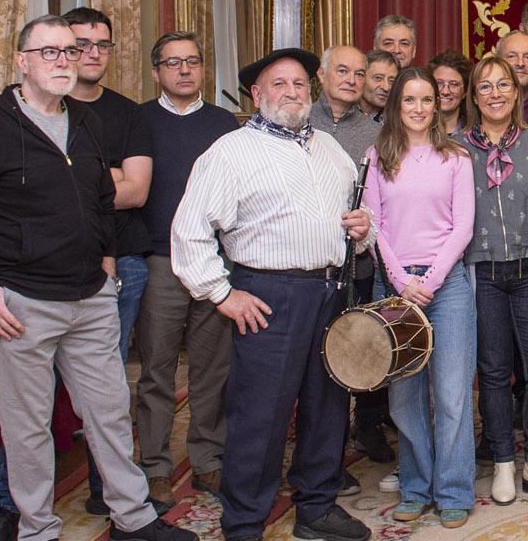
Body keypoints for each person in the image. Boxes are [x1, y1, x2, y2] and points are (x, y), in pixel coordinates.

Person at [0, 16, 195, 541]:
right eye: (49, 53)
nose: (63, 61)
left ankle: (133, 520)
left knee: (111, 415)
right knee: (28, 429)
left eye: (69, 53)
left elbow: (98, 200)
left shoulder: (85, 124)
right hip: (19, 302)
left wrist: (108, 262)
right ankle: (38, 529)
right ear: (22, 60)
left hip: (91, 295)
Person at [171, 47, 374, 541]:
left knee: (327, 406)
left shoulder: (329, 148)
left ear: (312, 92)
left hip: (330, 291)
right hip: (268, 295)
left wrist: (362, 228)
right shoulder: (231, 151)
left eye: (300, 84)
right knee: (260, 414)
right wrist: (221, 294)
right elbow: (189, 229)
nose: (291, 92)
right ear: (257, 95)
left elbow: (355, 219)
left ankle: (316, 506)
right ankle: (244, 521)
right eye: (278, 84)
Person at [362, 67, 477, 528]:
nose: (418, 108)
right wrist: (399, 279)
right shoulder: (376, 157)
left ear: (438, 105)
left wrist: (429, 279)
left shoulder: (456, 158)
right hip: (394, 289)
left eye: (426, 99)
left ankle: (452, 490)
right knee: (404, 397)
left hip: (445, 288)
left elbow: (462, 227)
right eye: (409, 99)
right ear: (396, 105)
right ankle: (415, 485)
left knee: (450, 394)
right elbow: (373, 224)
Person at [460, 54, 528, 505]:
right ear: (474, 96)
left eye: (502, 84)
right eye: (484, 87)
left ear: (517, 91)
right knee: (492, 370)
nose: (495, 94)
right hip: (482, 270)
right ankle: (503, 462)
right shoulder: (454, 149)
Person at [59, 5, 156, 517]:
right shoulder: (35, 111)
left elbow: (136, 191)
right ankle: (11, 504)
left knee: (108, 389)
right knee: (30, 396)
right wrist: (104, 178)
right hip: (43, 268)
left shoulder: (127, 114)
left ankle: (107, 492)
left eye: (102, 45)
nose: (91, 54)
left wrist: (66, 186)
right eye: (80, 44)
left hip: (122, 264)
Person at [135, 33, 238, 505]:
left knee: (211, 371)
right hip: (160, 261)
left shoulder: (225, 124)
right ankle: (155, 466)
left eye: (192, 62)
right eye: (173, 63)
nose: (184, 70)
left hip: (216, 262)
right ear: (156, 71)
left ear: (203, 69)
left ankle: (208, 462)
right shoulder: (138, 122)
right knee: (156, 371)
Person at [310, 46, 392, 467]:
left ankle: (370, 426)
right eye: (342, 71)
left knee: (365, 347)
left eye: (360, 74)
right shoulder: (300, 123)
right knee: (319, 359)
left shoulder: (378, 133)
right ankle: (323, 445)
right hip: (311, 265)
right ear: (321, 76)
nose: (351, 80)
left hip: (363, 263)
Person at [428, 50, 472, 136]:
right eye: (439, 83)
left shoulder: (475, 135)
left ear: (465, 92)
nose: (445, 91)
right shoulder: (417, 131)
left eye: (454, 84)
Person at [362, 50, 399, 118]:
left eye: (391, 81)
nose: (386, 87)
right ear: (362, 78)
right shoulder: (342, 114)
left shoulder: (398, 120)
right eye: (378, 78)